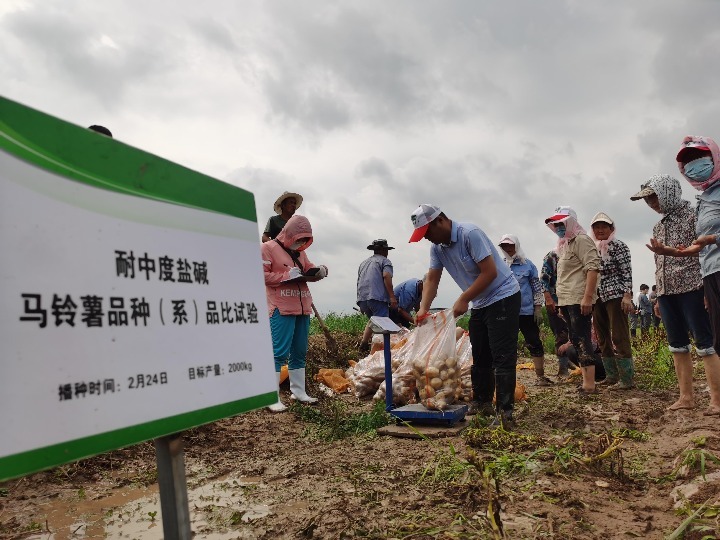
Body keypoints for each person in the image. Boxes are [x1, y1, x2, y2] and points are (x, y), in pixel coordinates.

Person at [410, 204, 520, 426]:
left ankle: (505, 414)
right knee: (480, 354)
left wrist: (464, 298)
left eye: (428, 232)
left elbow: (490, 272)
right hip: (481, 301)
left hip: (503, 296)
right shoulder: (438, 248)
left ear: (440, 220)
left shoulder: (469, 234)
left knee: (502, 355)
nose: (427, 239)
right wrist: (423, 308)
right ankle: (482, 403)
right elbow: (432, 279)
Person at [644, 137, 720, 416]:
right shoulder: (657, 224)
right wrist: (658, 294)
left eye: (654, 196)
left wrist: (706, 293)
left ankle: (716, 400)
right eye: (648, 199)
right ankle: (686, 397)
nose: (652, 203)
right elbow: (660, 260)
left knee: (706, 343)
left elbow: (700, 251)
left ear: (668, 192)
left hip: (694, 287)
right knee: (677, 345)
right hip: (667, 293)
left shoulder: (693, 214)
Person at [261, 215, 328, 412]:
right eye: (299, 238)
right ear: (288, 234)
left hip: (302, 306)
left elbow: (307, 270)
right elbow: (261, 274)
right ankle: (270, 397)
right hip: (281, 306)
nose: (301, 243)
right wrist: (285, 276)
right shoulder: (268, 248)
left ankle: (299, 391)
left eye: (305, 239)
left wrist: (320, 271)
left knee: (299, 351)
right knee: (278, 352)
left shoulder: (300, 253)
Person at [544, 206, 603, 395]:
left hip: (579, 298)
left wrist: (587, 297)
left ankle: (589, 384)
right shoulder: (566, 244)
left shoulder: (582, 240)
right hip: (568, 300)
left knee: (583, 339)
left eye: (562, 223)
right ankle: (587, 381)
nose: (559, 228)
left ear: (571, 222)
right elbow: (563, 278)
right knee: (576, 340)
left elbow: (592, 268)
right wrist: (561, 303)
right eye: (556, 225)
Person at [588, 212, 635, 389]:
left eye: (604, 226)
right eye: (596, 227)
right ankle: (611, 375)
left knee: (619, 335)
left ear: (611, 228)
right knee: (602, 336)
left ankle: (627, 379)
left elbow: (626, 271)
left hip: (615, 295)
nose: (600, 230)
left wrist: (627, 295)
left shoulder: (619, 246)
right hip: (597, 296)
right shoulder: (592, 248)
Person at [498, 234, 553, 386]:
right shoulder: (499, 265)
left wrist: (537, 308)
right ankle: (508, 379)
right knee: (507, 344)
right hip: (506, 312)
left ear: (516, 246)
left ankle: (540, 376)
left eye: (510, 245)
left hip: (526, 311)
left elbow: (536, 287)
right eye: (504, 246)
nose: (508, 248)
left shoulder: (527, 265)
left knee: (534, 341)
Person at [356, 239, 397, 354]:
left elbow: (359, 280)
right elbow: (386, 276)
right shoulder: (385, 261)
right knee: (381, 329)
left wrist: (361, 302)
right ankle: (375, 357)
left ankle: (364, 344)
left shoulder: (363, 263)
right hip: (377, 298)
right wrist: (392, 297)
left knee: (373, 321)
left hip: (363, 299)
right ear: (384, 250)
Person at [540, 250, 572, 379]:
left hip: (574, 300)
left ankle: (573, 362)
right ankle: (563, 368)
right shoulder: (553, 255)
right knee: (561, 334)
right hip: (556, 300)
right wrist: (548, 298)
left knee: (577, 334)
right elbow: (544, 277)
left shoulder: (579, 252)